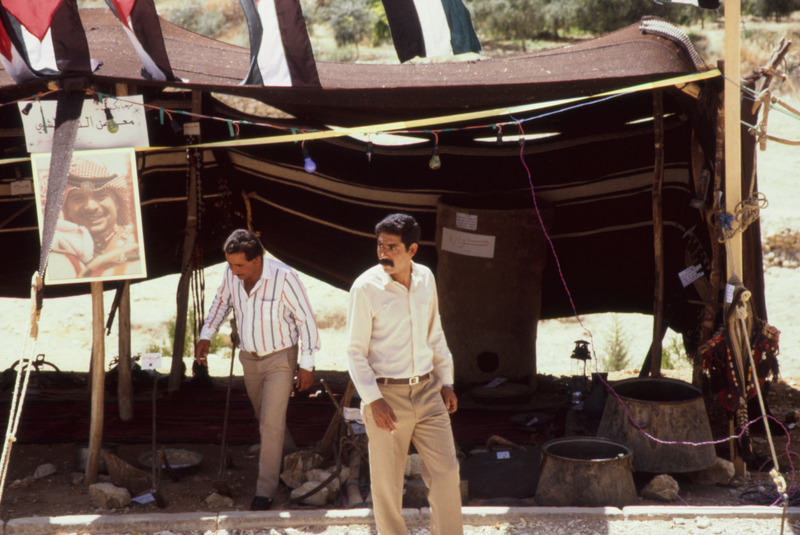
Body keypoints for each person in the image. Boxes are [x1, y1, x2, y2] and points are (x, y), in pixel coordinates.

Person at [346, 213, 462, 535]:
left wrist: (446, 382)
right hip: (386, 397)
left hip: (428, 391)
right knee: (387, 485)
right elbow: (354, 351)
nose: (383, 253)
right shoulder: (365, 288)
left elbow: (435, 333)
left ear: (412, 249)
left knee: (446, 473)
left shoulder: (426, 278)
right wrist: (374, 400)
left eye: (392, 247)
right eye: (380, 245)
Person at [195, 229, 320, 511]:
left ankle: (265, 491)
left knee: (270, 424)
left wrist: (307, 365)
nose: (234, 270)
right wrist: (207, 334)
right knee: (264, 416)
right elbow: (221, 302)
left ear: (257, 260)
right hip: (249, 358)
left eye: (239, 265)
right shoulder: (232, 274)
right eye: (230, 264)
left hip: (281, 357)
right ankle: (291, 459)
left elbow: (307, 321)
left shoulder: (285, 277)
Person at [48, 156, 141, 279]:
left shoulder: (136, 243)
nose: (91, 207)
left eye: (100, 196)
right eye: (78, 198)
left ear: (117, 203)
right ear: (67, 209)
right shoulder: (61, 250)